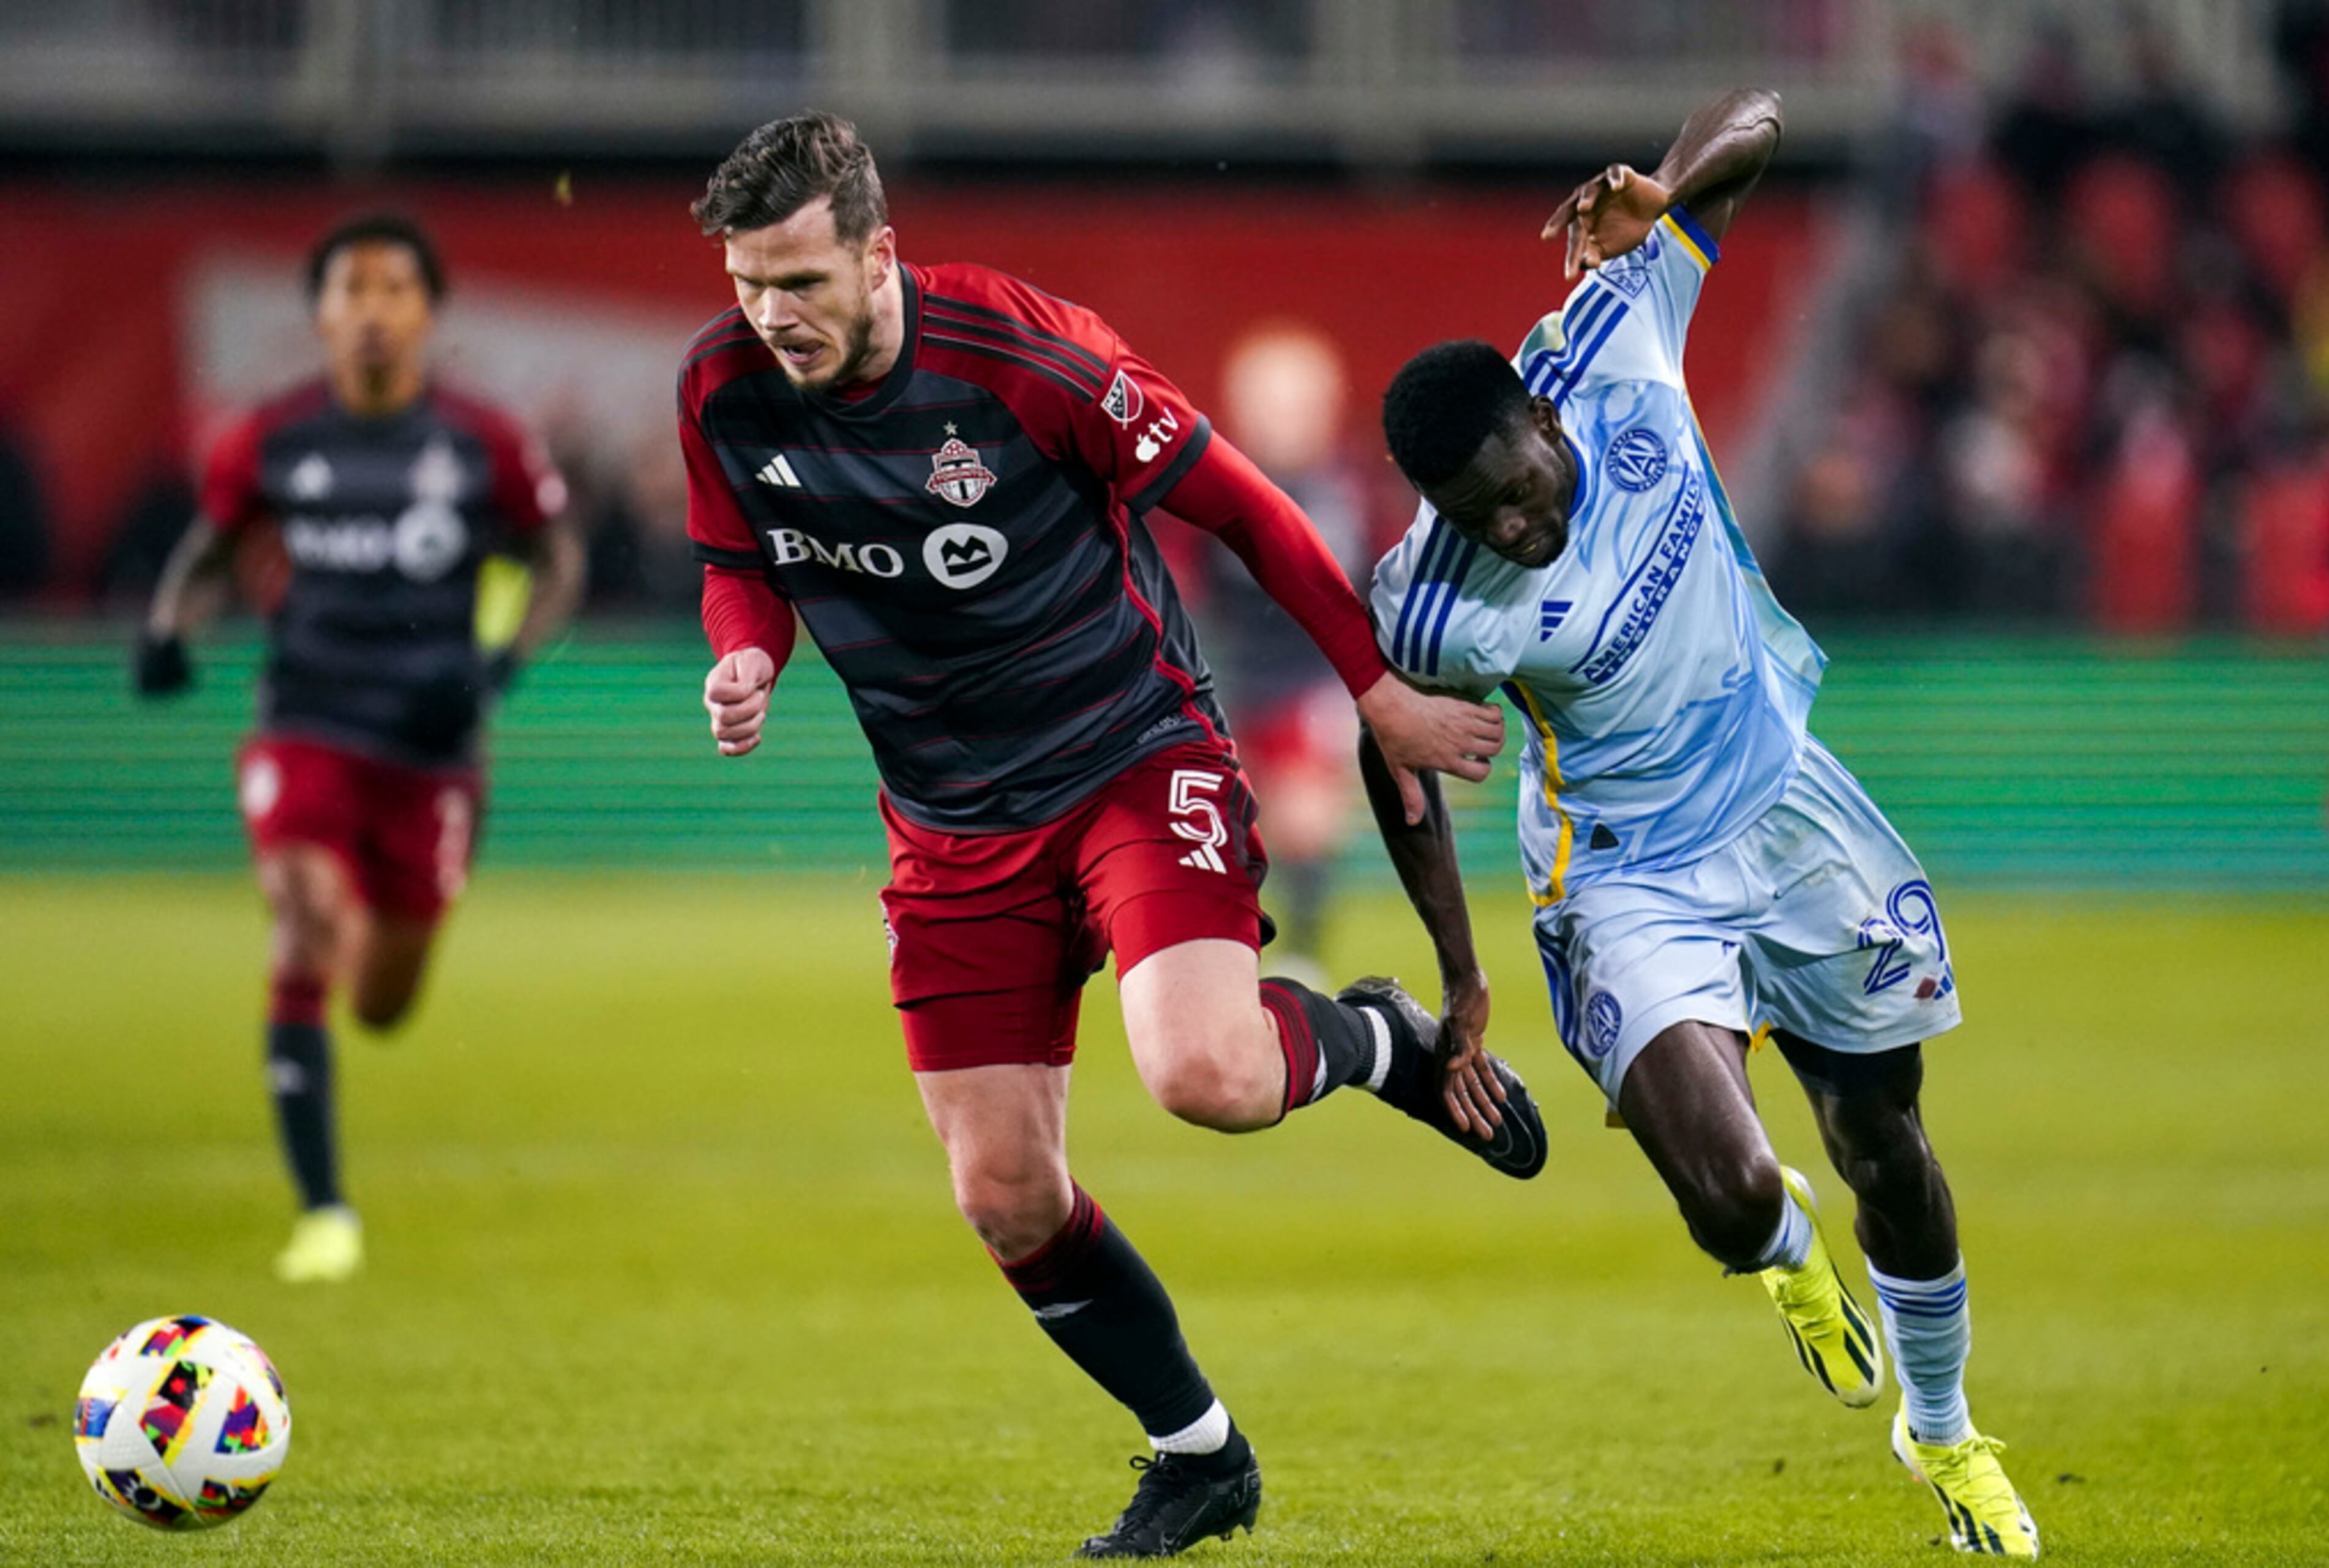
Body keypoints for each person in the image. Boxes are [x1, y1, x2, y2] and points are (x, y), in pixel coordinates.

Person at [680, 112, 1543, 1558]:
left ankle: (1374, 1040)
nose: (775, 317)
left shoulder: (1031, 359)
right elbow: (737, 560)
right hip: (948, 823)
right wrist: (746, 650)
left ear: (877, 255)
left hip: (1130, 759)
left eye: (803, 283)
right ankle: (1197, 1452)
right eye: (751, 284)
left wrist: (1375, 687)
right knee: (1004, 1191)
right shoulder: (722, 387)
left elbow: (1249, 508)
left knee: (1202, 1071)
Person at [1361, 90, 2039, 1558]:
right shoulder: (1429, 596)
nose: (1512, 530)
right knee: (1733, 1199)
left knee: (1888, 1147)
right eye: (1472, 519)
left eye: (1515, 494)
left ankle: (1941, 1426)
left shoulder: (1611, 341)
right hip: (1625, 875)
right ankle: (1786, 1262)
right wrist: (1458, 964)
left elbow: (1757, 121)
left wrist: (1655, 184)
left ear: (1541, 416)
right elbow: (1388, 748)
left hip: (1785, 803)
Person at [134, 213, 583, 1285]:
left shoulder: (482, 440)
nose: (373, 312)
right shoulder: (274, 438)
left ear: (428, 312)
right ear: (321, 315)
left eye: (394, 291)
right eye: (352, 291)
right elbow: (210, 550)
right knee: (302, 919)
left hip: (431, 751)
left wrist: (496, 665)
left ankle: (341, 1049)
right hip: (306, 723)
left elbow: (556, 555)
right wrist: (167, 628)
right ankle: (324, 1210)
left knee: (381, 1001)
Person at [1195, 323, 1375, 983]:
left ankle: (1301, 955)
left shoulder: (1343, 491)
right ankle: (1228, 948)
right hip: (1234, 677)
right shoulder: (1216, 484)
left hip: (1311, 678)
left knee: (1305, 820)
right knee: (1237, 825)